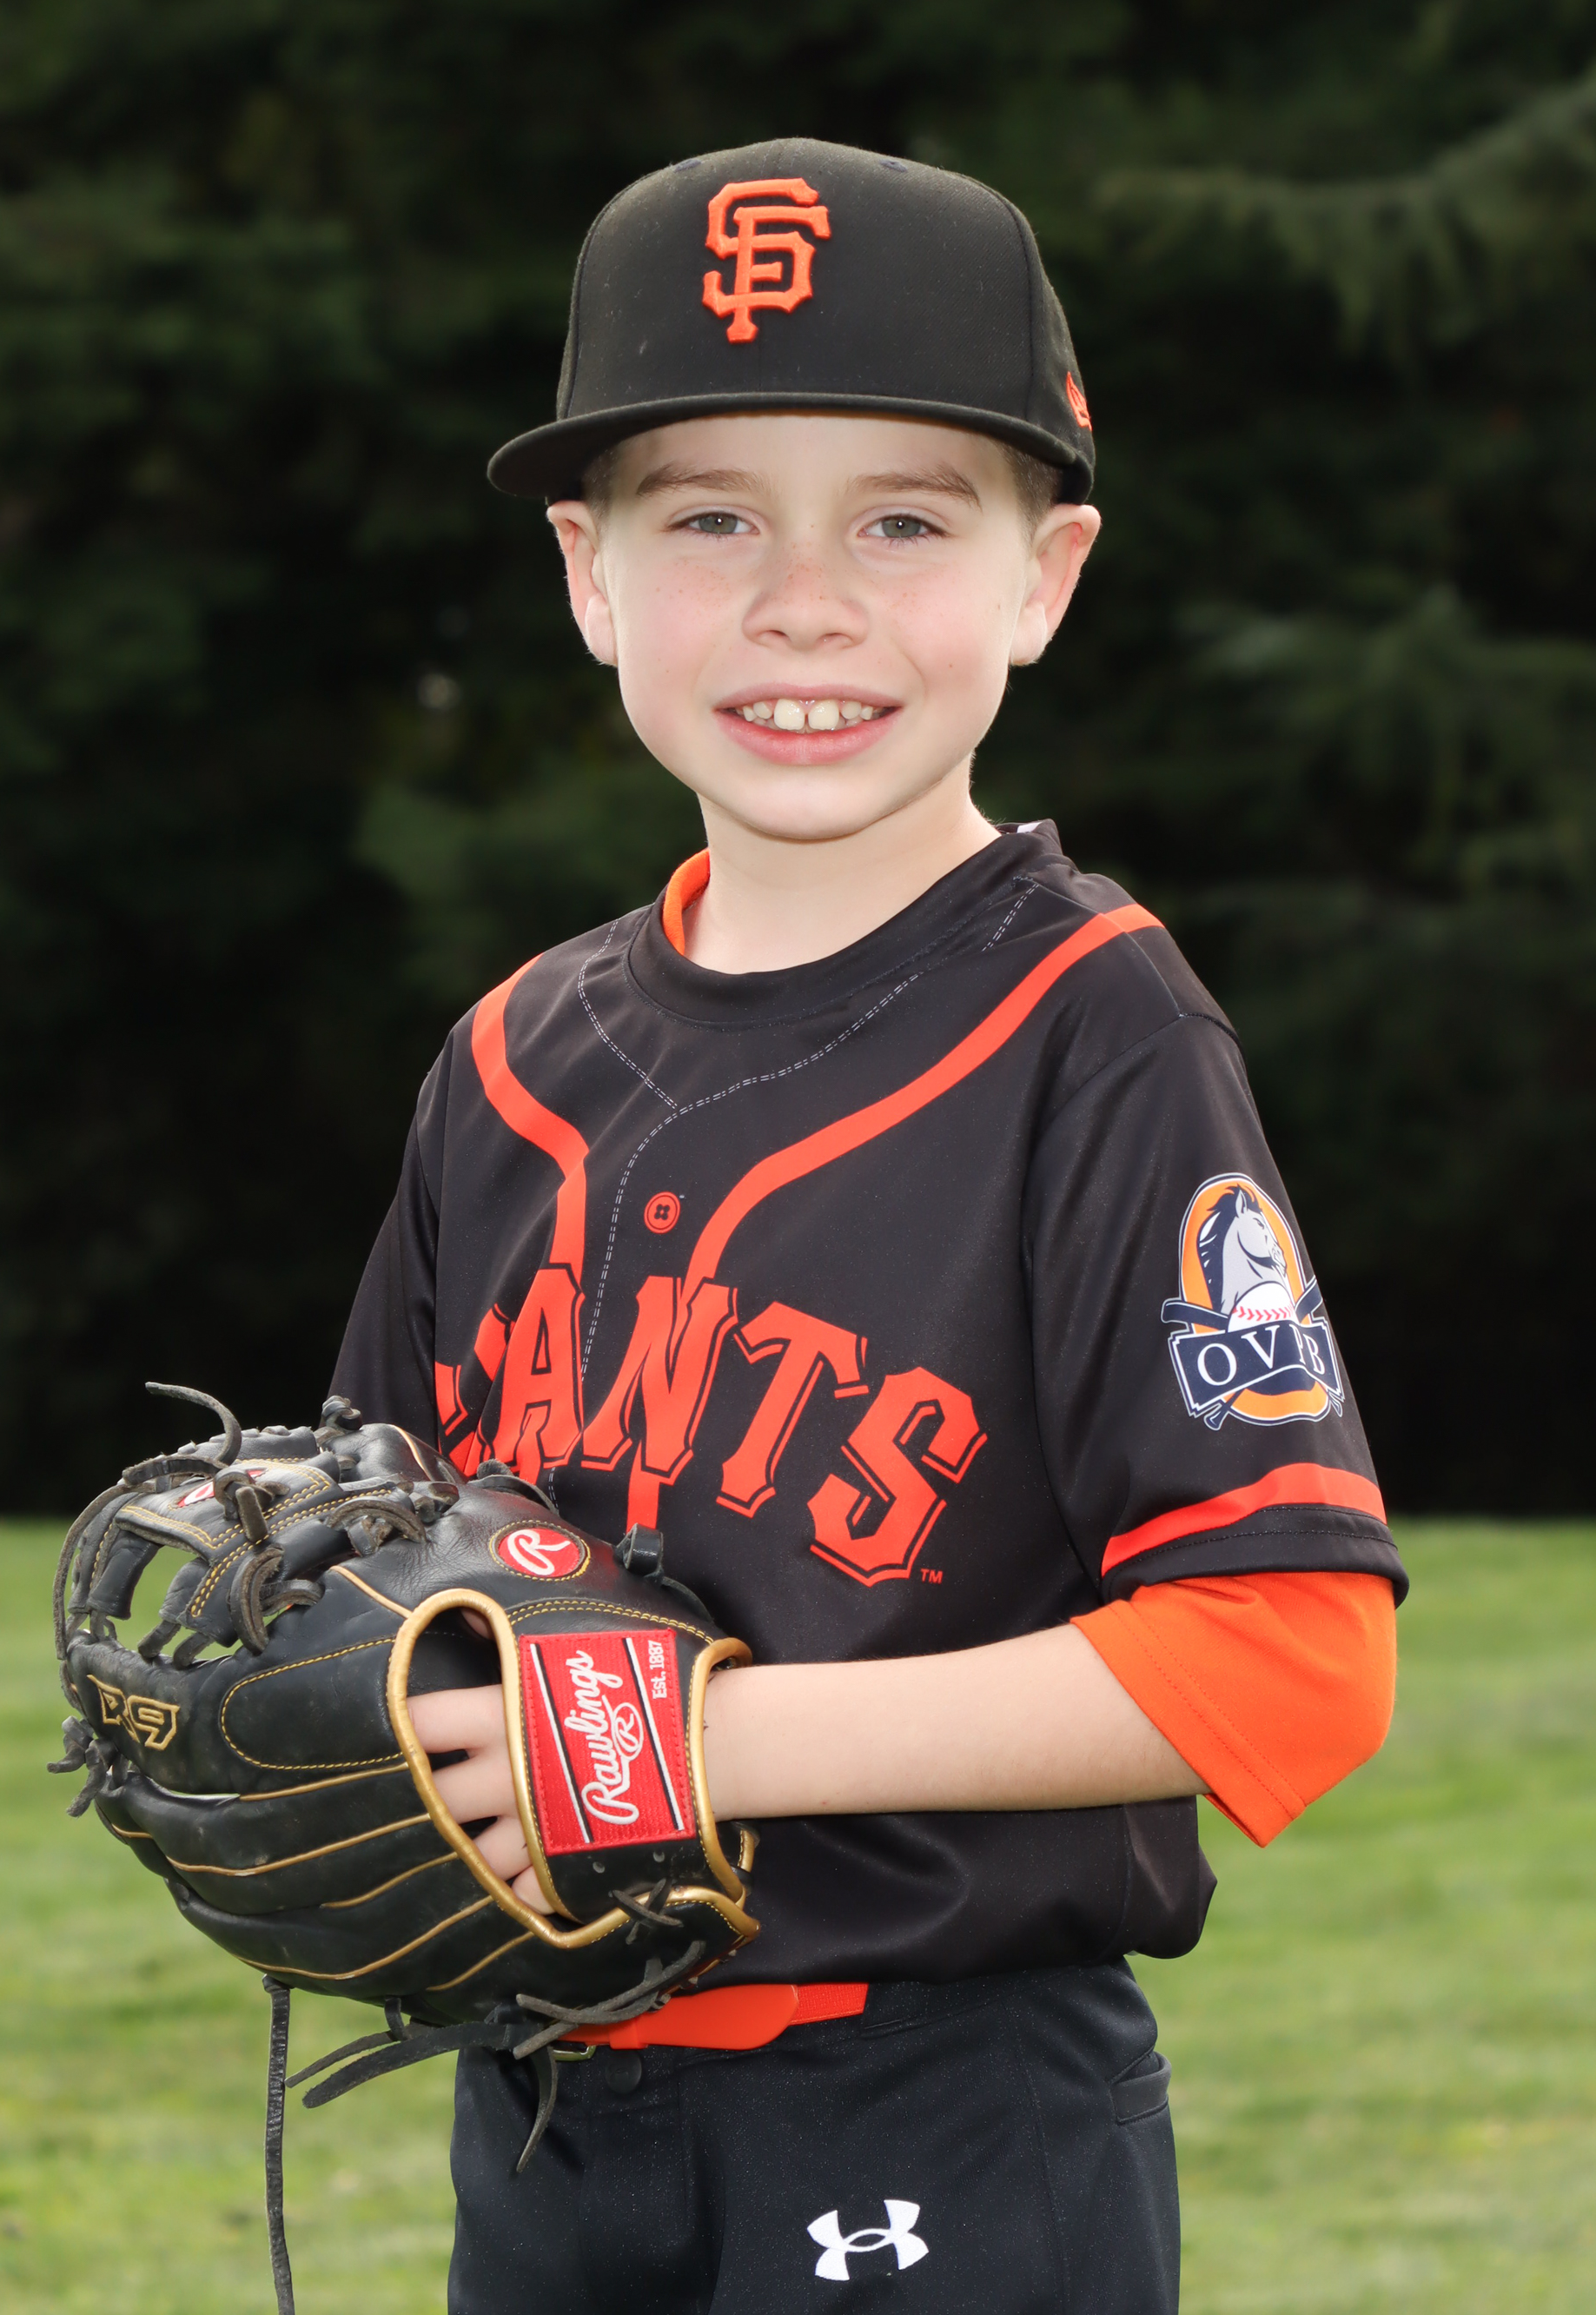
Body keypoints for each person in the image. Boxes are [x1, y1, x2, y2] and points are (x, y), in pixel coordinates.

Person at [333, 139, 1406, 2314]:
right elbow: (378, 1566)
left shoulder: (1091, 1026)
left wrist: (690, 1740)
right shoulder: (508, 1060)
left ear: (1045, 577)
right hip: (546, 2097)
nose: (801, 602)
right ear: (586, 574)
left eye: (902, 520)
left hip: (942, 2100)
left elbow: (1288, 1653)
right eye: (708, 518)